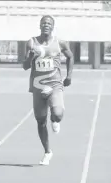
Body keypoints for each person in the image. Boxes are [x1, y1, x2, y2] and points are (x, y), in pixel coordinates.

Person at [23, 15, 74, 166]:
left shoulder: (60, 43)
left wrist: (69, 76)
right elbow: (25, 66)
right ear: (40, 26)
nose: (46, 25)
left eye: (49, 23)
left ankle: (54, 119)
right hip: (38, 87)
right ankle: (47, 152)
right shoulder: (31, 42)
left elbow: (70, 57)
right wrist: (31, 57)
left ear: (53, 27)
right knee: (40, 121)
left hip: (55, 84)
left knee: (57, 114)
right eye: (43, 23)